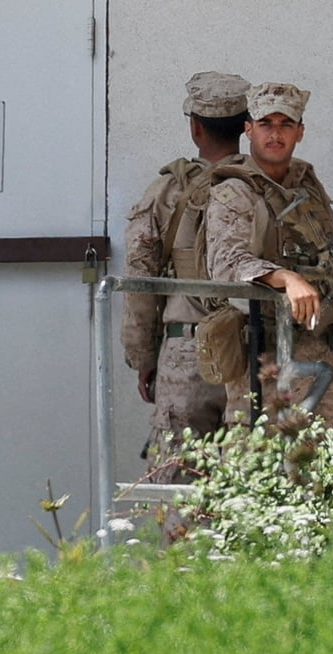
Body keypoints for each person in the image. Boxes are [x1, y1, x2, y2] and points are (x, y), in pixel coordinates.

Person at [205, 82, 333, 439]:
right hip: (260, 352)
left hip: (316, 348)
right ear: (248, 129)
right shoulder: (234, 191)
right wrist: (284, 277)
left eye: (286, 124)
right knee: (257, 468)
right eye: (266, 123)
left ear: (300, 132)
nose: (276, 133)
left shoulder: (308, 189)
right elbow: (227, 263)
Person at [121, 71, 250, 483]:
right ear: (246, 126)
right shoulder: (263, 187)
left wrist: (142, 359)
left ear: (195, 127)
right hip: (252, 349)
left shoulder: (165, 191)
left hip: (186, 351)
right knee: (249, 482)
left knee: (178, 487)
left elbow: (139, 281)